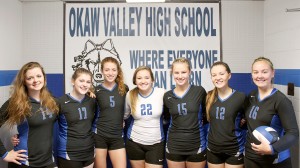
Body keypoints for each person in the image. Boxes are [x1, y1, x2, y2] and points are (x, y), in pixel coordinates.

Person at [0, 62, 59, 167]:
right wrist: (4, 154)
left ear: (44, 78)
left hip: (48, 160)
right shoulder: (16, 102)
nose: (35, 80)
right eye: (30, 78)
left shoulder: (51, 100)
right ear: (24, 82)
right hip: (24, 162)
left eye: (38, 76)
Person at [244, 57, 299, 168]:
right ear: (252, 75)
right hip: (251, 158)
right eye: (256, 72)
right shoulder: (251, 95)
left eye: (264, 72)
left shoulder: (281, 100)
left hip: (275, 161)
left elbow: (293, 133)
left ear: (272, 73)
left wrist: (272, 148)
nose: (259, 76)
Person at [163, 58, 207, 168]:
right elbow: (167, 118)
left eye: (183, 72)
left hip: (196, 144)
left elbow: (206, 115)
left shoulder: (199, 91)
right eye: (176, 72)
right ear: (172, 73)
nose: (180, 76)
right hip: (174, 145)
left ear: (190, 72)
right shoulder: (167, 96)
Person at [205, 61, 246, 168]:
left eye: (221, 74)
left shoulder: (240, 97)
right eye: (214, 75)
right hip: (213, 149)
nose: (218, 77)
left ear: (229, 75)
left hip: (234, 149)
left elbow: (247, 120)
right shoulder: (209, 96)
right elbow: (205, 119)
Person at [124, 66, 165, 168]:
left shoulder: (161, 93)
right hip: (134, 142)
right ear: (135, 80)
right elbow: (124, 115)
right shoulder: (130, 95)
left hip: (156, 143)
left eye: (146, 77)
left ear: (152, 80)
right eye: (139, 78)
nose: (143, 81)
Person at [56, 68, 97, 168]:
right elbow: (45, 123)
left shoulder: (92, 101)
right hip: (68, 154)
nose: (84, 84)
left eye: (88, 82)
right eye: (81, 80)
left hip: (89, 152)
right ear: (73, 81)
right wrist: (19, 135)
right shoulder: (61, 102)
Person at [93, 57, 128, 168]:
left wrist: (122, 119)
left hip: (117, 135)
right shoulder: (95, 90)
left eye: (113, 70)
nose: (110, 73)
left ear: (118, 71)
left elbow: (129, 109)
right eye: (107, 70)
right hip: (100, 136)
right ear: (102, 71)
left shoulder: (124, 89)